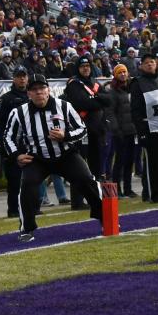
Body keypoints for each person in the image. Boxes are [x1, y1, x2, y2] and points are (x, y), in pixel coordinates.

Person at [4, 74, 103, 243]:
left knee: (87, 179)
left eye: (42, 88)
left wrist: (66, 136)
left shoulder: (64, 106)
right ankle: (26, 229)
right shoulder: (19, 112)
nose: (39, 93)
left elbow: (82, 129)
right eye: (34, 90)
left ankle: (104, 218)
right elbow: (8, 137)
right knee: (27, 185)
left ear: (48, 90)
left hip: (65, 155)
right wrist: (16, 155)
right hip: (37, 158)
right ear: (28, 93)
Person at [63, 55, 112, 210]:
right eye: (83, 66)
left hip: (97, 130)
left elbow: (109, 99)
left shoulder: (95, 83)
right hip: (81, 131)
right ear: (78, 69)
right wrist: (97, 100)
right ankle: (77, 201)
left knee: (97, 167)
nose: (86, 69)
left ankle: (95, 197)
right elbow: (81, 102)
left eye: (88, 66)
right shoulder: (73, 84)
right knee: (79, 167)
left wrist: (95, 99)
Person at [130, 52, 158, 203]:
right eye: (146, 62)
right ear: (141, 65)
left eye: (152, 61)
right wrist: (141, 132)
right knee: (153, 163)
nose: (150, 64)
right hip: (149, 127)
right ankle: (155, 192)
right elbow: (135, 110)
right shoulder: (137, 83)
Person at [0, 67, 32, 218]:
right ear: (14, 79)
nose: (22, 79)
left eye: (24, 76)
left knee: (31, 180)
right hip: (13, 146)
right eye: (19, 76)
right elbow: (0, 125)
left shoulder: (32, 95)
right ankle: (13, 209)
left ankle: (31, 208)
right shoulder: (6, 99)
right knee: (14, 181)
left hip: (30, 144)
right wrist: (4, 146)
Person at [106, 64, 139, 197]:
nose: (123, 74)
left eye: (124, 72)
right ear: (115, 75)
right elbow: (110, 112)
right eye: (120, 72)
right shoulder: (113, 91)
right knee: (119, 161)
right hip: (120, 132)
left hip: (132, 131)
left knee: (129, 161)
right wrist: (116, 129)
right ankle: (117, 189)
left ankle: (128, 188)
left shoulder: (132, 89)